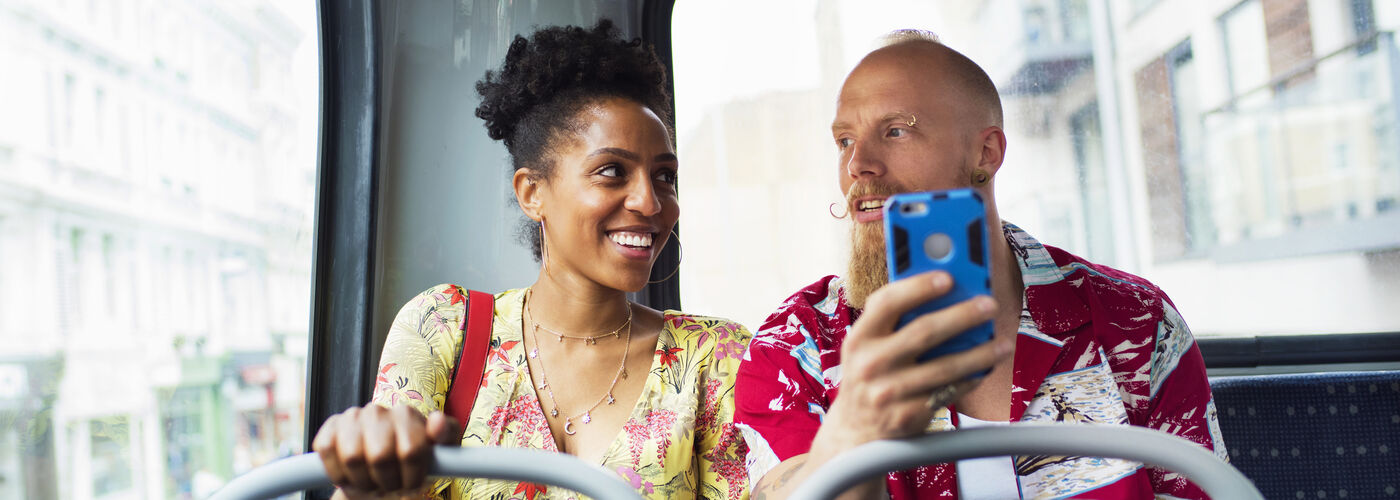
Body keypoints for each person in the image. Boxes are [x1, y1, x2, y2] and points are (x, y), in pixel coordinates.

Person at [734, 30, 1227, 500]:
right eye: (844, 140)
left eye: (896, 131)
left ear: (985, 153)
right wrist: (854, 431)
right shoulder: (797, 343)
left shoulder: (1136, 323)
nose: (857, 165)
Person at [312, 20, 751, 500]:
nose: (650, 202)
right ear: (532, 191)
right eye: (611, 172)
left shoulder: (716, 358)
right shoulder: (443, 328)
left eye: (664, 176)